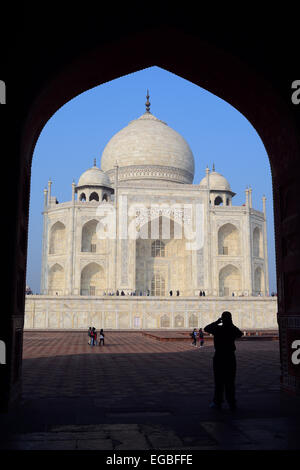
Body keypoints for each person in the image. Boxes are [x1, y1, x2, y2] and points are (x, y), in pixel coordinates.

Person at [204, 311, 243, 410]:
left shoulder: (218, 329)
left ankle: (217, 402)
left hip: (219, 357)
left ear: (222, 319)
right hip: (230, 357)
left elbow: (206, 328)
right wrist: (231, 324)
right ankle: (231, 403)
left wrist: (217, 322)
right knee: (230, 381)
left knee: (219, 381)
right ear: (230, 319)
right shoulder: (232, 329)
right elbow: (240, 333)